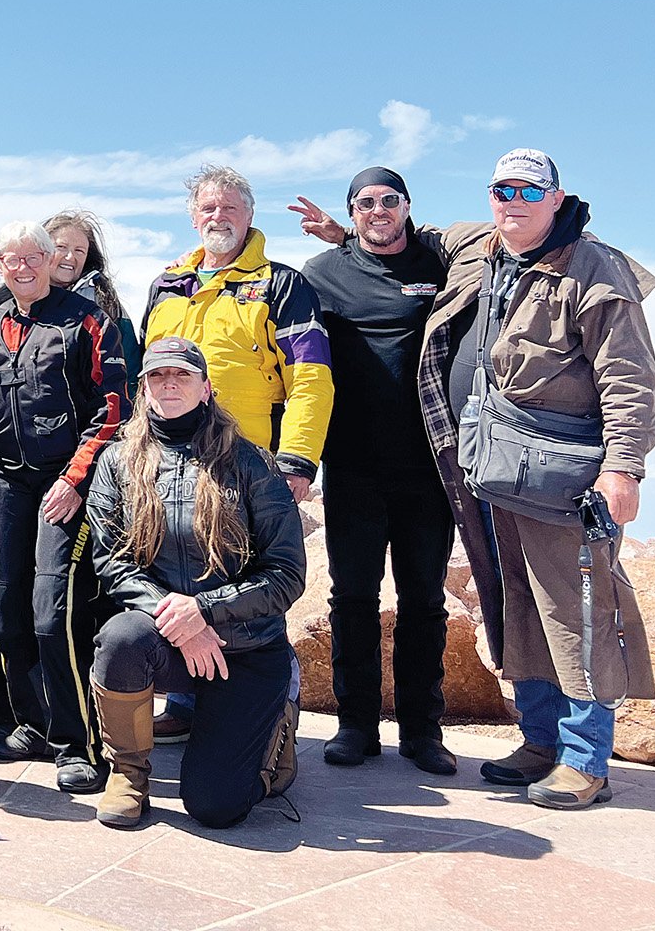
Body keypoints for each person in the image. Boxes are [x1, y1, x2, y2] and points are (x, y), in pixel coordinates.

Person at [373, 149, 655, 811]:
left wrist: (623, 466)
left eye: (530, 190)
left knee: (577, 612)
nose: (514, 200)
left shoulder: (593, 268)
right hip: (491, 469)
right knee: (517, 607)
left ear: (557, 198)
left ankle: (586, 761)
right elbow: (427, 233)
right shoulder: (489, 248)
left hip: (565, 477)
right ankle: (540, 741)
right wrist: (342, 232)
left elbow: (627, 375)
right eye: (503, 189)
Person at [141, 165, 331, 743]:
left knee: (252, 591)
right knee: (180, 573)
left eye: (229, 208)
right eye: (207, 208)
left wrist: (297, 460)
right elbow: (148, 376)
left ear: (250, 215)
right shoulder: (167, 284)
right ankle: (185, 701)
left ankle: (276, 708)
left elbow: (311, 376)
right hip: (170, 461)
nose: (217, 217)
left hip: (249, 469)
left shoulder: (283, 284)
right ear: (192, 216)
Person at [85, 337, 307, 830]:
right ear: (143, 390)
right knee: (120, 637)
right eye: (157, 376)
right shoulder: (118, 462)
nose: (169, 384)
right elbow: (112, 561)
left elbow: (287, 575)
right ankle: (127, 775)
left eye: (182, 376)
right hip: (170, 641)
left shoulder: (251, 463)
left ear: (205, 388)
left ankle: (277, 735)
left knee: (216, 806)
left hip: (245, 648)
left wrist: (205, 611)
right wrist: (181, 619)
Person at [287, 168, 456, 775]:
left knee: (424, 601)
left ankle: (423, 731)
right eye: (365, 203)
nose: (377, 210)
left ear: (409, 206)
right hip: (353, 465)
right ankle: (356, 725)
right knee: (351, 598)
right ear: (350, 213)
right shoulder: (321, 273)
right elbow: (297, 357)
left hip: (429, 467)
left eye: (389, 200)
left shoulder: (441, 265)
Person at [0, 221, 129, 794]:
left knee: (52, 615)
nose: (24, 267)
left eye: (35, 256)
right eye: (12, 259)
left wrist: (77, 478)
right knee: (4, 616)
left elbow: (113, 408)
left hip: (65, 484)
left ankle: (77, 743)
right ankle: (31, 721)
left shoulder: (86, 320)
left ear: (51, 259)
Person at [0, 210, 141, 395]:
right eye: (61, 247)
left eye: (79, 251)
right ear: (43, 251)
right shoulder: (1, 305)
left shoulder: (104, 305)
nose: (70, 257)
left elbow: (130, 370)